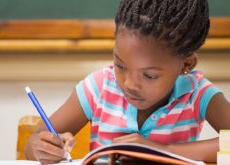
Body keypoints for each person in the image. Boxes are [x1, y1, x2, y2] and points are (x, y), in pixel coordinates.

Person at [25, 0, 230, 164]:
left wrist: (162, 151)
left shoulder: (197, 94)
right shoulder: (98, 87)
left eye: (149, 75)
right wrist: (42, 147)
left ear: (187, 64)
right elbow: (33, 144)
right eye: (120, 65)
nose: (130, 84)